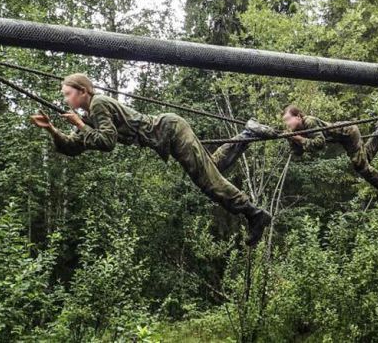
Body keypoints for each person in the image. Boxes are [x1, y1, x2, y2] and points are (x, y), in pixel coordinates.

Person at [30, 73, 275, 246]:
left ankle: (254, 214)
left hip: (170, 130)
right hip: (168, 134)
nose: (66, 100)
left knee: (207, 181)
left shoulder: (98, 105)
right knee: (213, 167)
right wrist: (52, 129)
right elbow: (72, 147)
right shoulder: (89, 116)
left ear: (83, 91)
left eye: (68, 94)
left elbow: (107, 142)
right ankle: (248, 134)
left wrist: (80, 125)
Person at [281, 105, 378, 206]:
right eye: (285, 121)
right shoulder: (298, 131)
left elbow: (319, 144)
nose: (287, 123)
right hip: (343, 138)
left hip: (348, 132)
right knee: (364, 160)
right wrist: (291, 139)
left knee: (360, 165)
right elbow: (298, 153)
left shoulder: (309, 121)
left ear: (298, 116)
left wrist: (299, 139)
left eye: (288, 119)